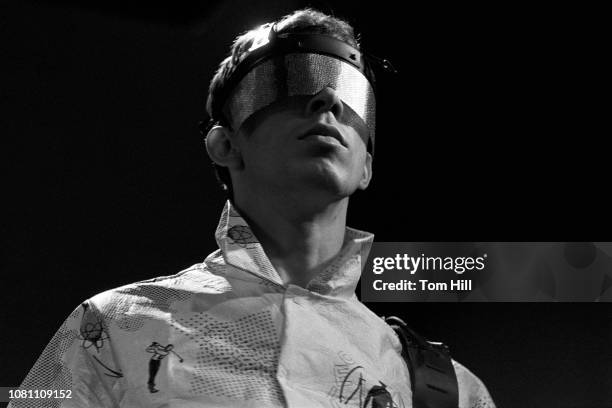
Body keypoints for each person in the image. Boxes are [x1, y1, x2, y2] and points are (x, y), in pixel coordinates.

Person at [10, 9, 495, 408]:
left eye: (352, 96)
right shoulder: (112, 328)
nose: (327, 99)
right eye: (290, 82)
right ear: (225, 145)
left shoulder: (451, 390)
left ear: (365, 166)